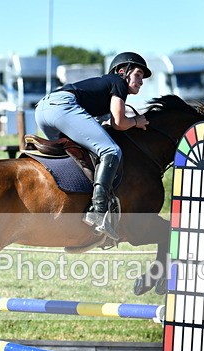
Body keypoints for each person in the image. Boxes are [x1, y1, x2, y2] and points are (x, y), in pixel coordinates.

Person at [34, 52, 151, 240]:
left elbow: (103, 123)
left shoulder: (105, 88)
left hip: (43, 110)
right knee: (111, 151)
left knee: (79, 155)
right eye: (138, 74)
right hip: (62, 107)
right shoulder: (118, 82)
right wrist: (137, 121)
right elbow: (119, 123)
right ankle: (98, 212)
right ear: (123, 71)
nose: (141, 81)